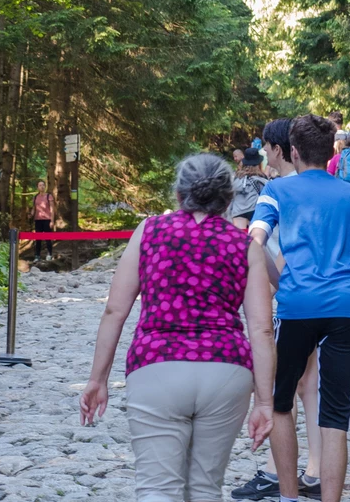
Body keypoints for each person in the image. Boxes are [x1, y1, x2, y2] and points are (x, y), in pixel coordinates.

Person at [80, 153, 275, 502]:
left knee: (157, 488)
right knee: (205, 488)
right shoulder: (244, 246)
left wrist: (98, 379)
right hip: (226, 368)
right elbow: (261, 329)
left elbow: (115, 310)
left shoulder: (150, 231)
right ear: (228, 197)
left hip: (157, 364)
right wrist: (263, 400)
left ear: (179, 194)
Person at [250, 114, 350, 502]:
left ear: (293, 151)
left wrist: (278, 284)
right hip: (344, 310)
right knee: (335, 414)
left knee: (281, 405)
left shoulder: (276, 192)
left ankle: (287, 497)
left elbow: (255, 242)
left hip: (296, 308)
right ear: (331, 150)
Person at [232, 118, 322, 501]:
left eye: (267, 147)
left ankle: (276, 471)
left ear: (281, 150)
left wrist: (265, 285)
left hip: (291, 296)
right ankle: (316, 469)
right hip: (321, 297)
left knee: (279, 389)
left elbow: (284, 248)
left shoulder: (283, 190)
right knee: (309, 386)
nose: (264, 153)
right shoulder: (312, 188)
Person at [229, 147, 269, 230]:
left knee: (240, 240)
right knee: (253, 241)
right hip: (255, 214)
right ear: (259, 163)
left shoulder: (236, 178)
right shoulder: (262, 180)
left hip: (238, 214)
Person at [30, 180, 55, 261]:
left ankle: (49, 254)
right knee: (38, 239)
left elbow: (52, 209)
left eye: (43, 185)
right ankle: (37, 255)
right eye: (40, 185)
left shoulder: (49, 196)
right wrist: (30, 215)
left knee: (48, 238)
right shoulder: (35, 197)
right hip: (38, 220)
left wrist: (52, 221)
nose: (42, 186)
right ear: (37, 187)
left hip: (47, 219)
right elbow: (34, 208)